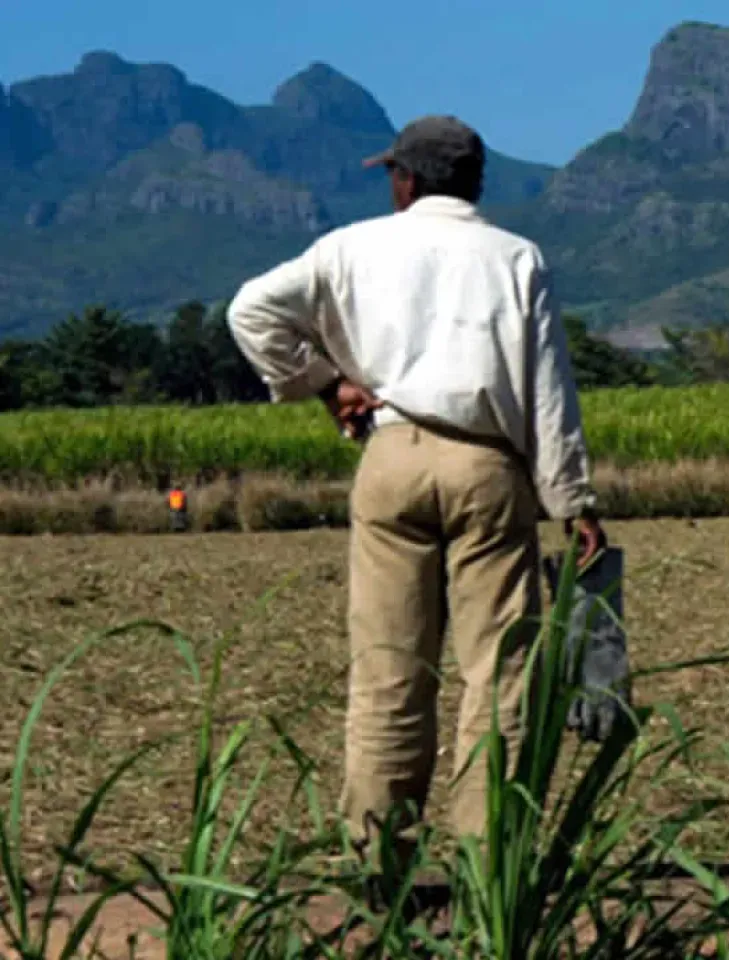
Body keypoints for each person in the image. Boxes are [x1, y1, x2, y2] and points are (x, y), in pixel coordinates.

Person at [225, 114, 606, 871]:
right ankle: (486, 863)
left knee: (389, 672)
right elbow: (548, 391)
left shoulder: (350, 248)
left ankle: (377, 864)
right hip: (486, 467)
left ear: (405, 180)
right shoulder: (515, 258)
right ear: (474, 182)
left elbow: (249, 311)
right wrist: (573, 501)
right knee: (500, 676)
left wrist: (325, 385)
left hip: (390, 459)